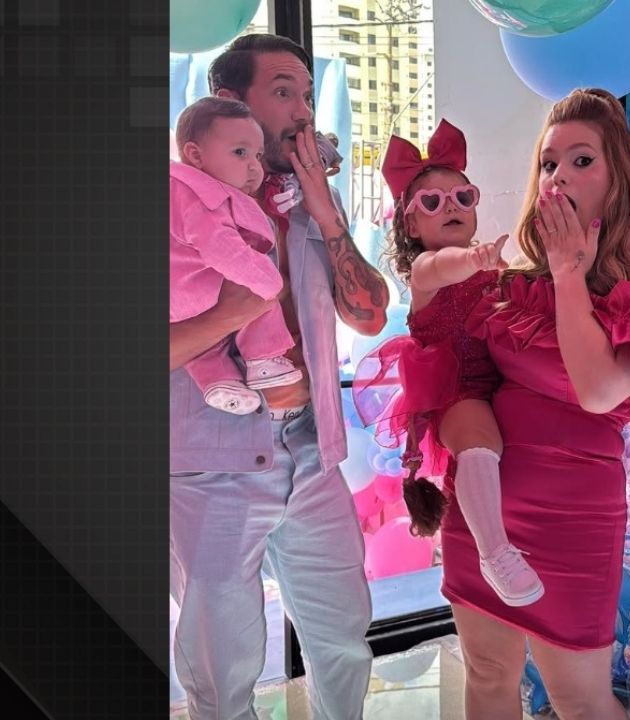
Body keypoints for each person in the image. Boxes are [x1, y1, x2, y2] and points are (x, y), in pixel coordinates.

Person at [169, 34, 389, 719]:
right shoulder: (176, 206)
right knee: (221, 672)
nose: (302, 111)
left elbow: (370, 315)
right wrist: (234, 311)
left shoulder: (306, 202)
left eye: (307, 94)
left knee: (344, 642)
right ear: (229, 102)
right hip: (212, 461)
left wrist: (326, 216)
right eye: (283, 91)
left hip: (312, 451)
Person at [443, 88, 630, 720]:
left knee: (580, 700)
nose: (558, 177)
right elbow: (462, 378)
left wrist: (569, 274)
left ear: (619, 178)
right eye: (549, 163)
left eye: (582, 160)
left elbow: (597, 391)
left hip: (575, 518)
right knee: (487, 675)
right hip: (483, 512)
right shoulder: (515, 283)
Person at [354, 119, 545, 607]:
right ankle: (494, 552)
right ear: (411, 226)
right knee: (478, 438)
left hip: (502, 378)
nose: (452, 207)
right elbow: (444, 266)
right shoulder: (426, 269)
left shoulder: (490, 266)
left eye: (463, 196)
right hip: (454, 386)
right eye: (432, 202)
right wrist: (476, 261)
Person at [170, 96, 301, 415]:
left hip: (182, 296)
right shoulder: (204, 197)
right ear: (195, 155)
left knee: (205, 348)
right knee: (253, 284)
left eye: (258, 155)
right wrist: (269, 283)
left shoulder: (177, 189)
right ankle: (264, 357)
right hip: (198, 292)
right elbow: (222, 249)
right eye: (240, 153)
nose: (254, 166)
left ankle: (219, 382)